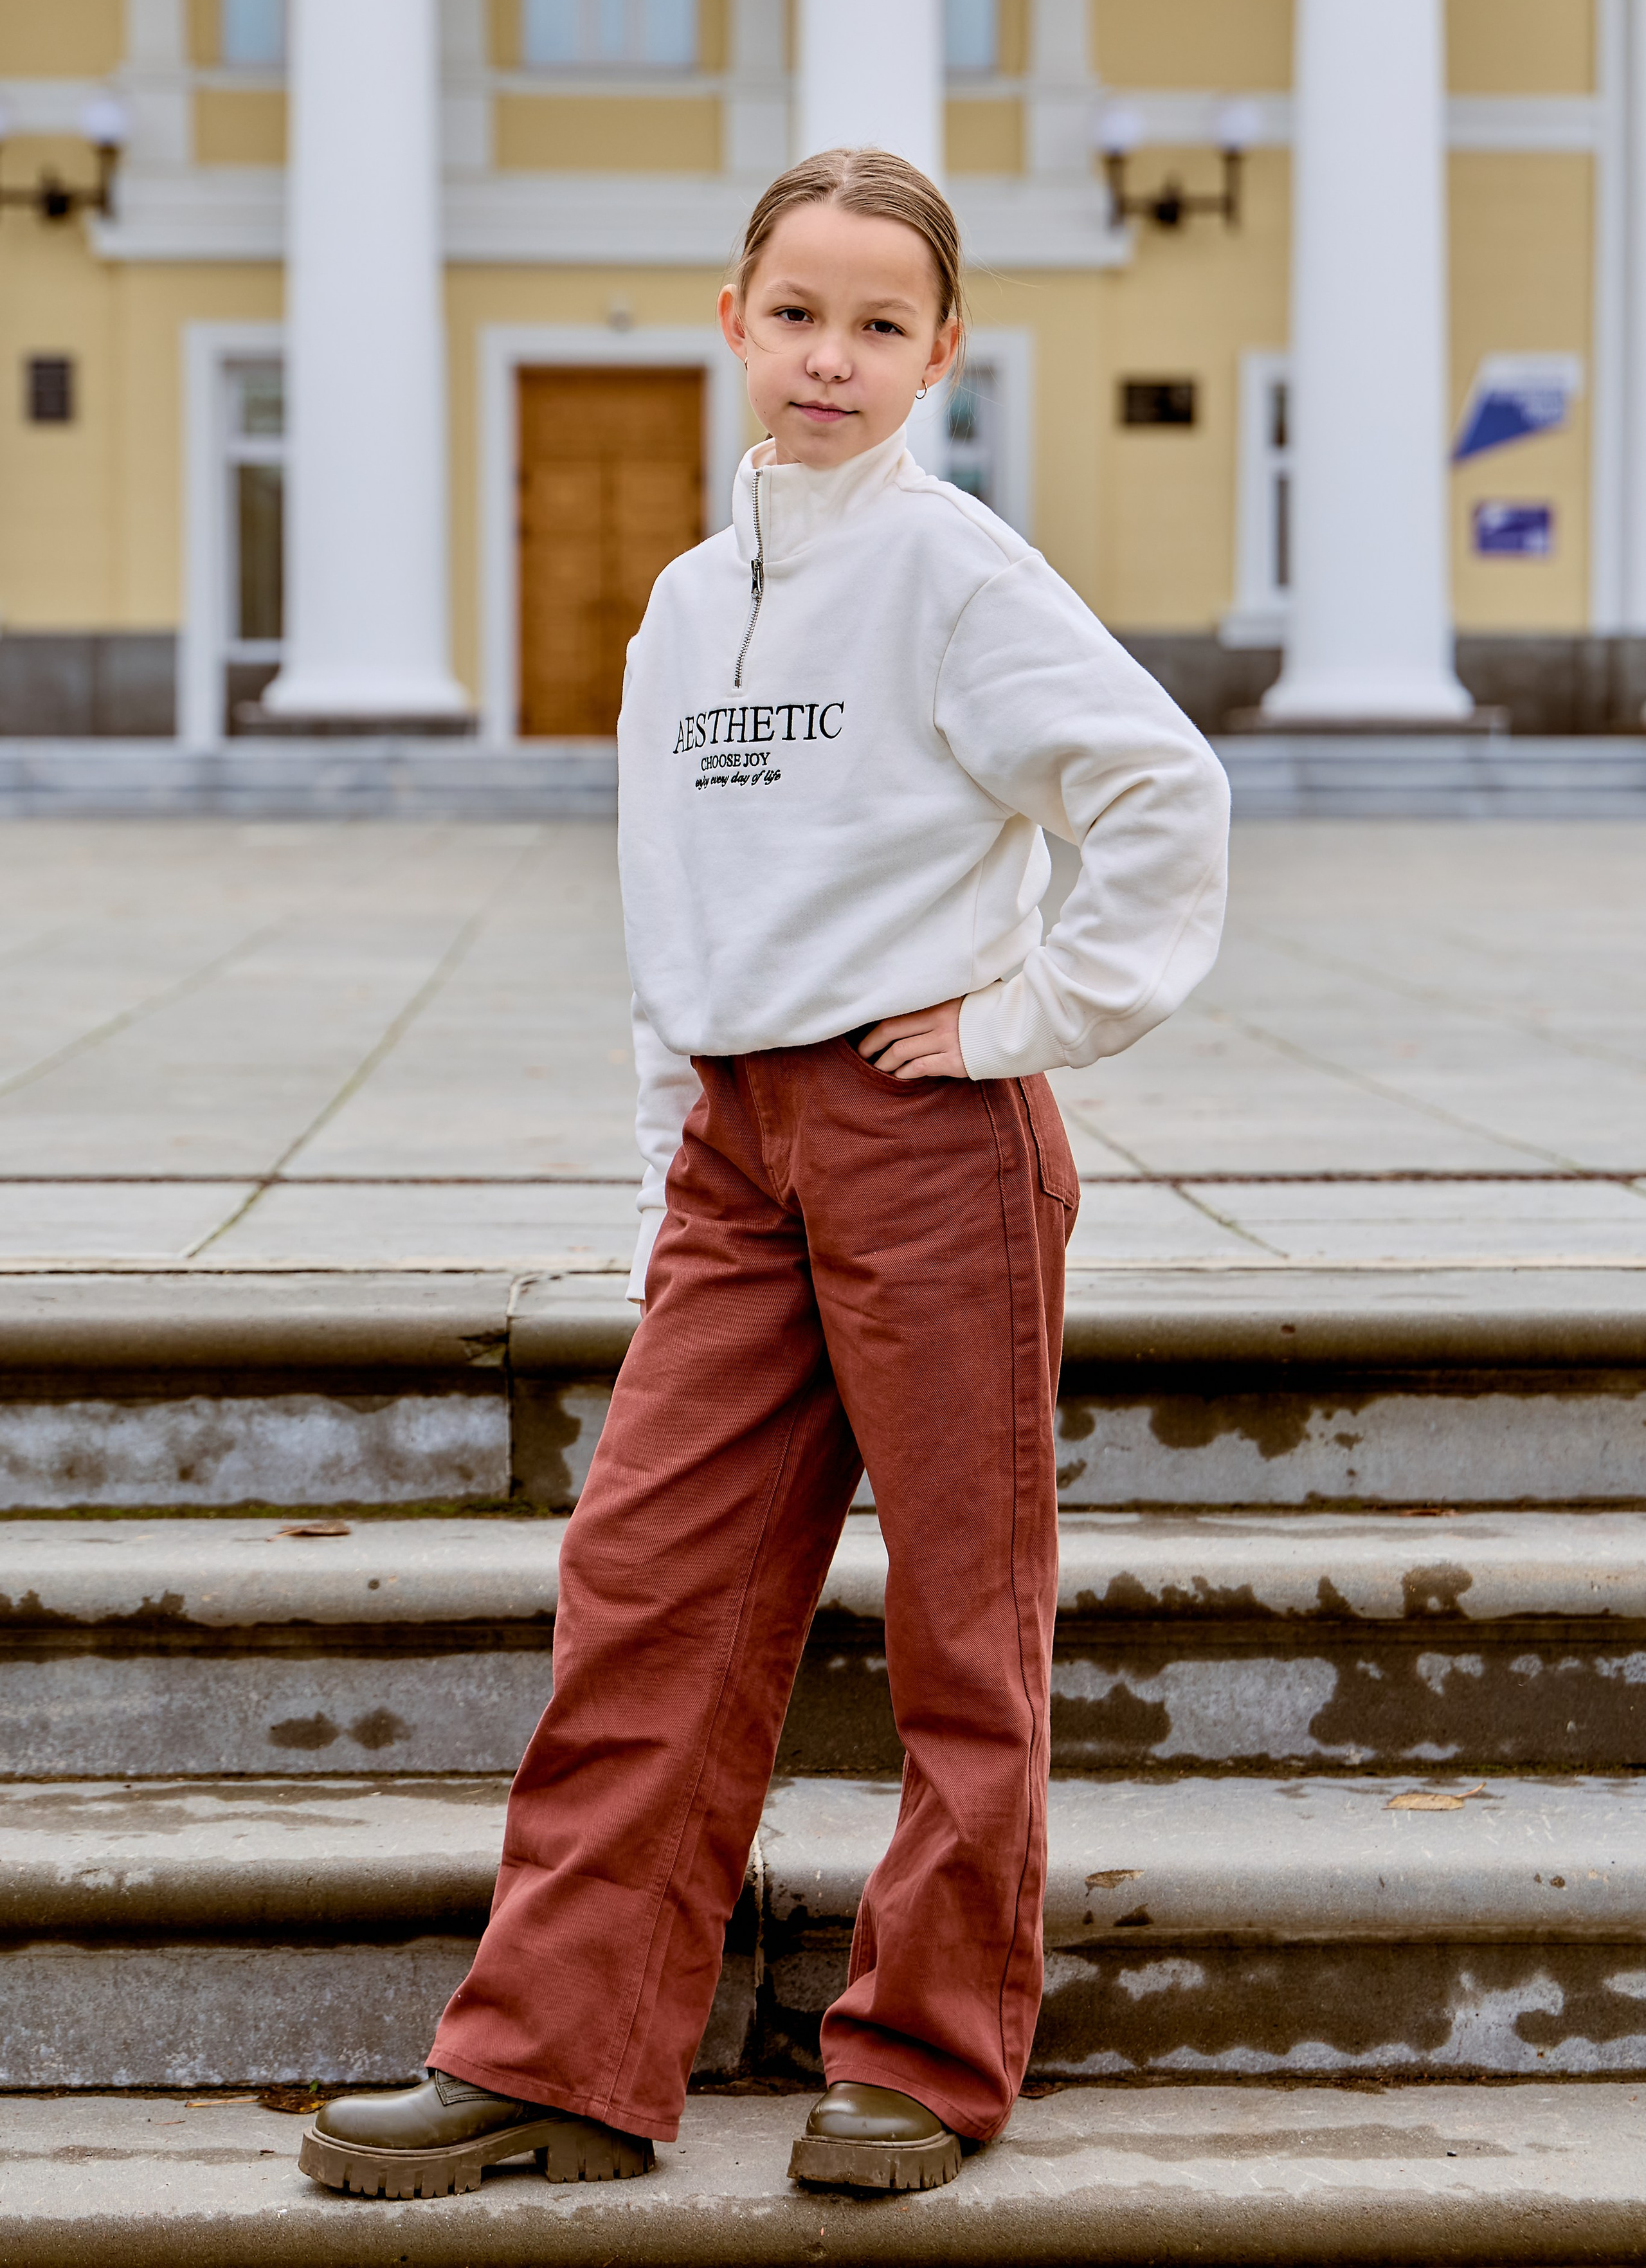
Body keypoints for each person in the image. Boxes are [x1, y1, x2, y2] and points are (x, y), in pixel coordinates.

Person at [297, 146, 1229, 2205]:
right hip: (740, 1143)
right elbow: (673, 903)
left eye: (879, 325)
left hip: (927, 1137)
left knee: (961, 1629)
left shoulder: (960, 571)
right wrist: (675, 1167)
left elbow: (1163, 789)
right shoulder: (685, 602)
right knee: (645, 1587)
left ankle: (924, 2060)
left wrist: (1018, 1023)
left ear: (941, 356)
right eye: (798, 312)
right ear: (735, 317)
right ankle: (559, 2060)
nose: (831, 357)